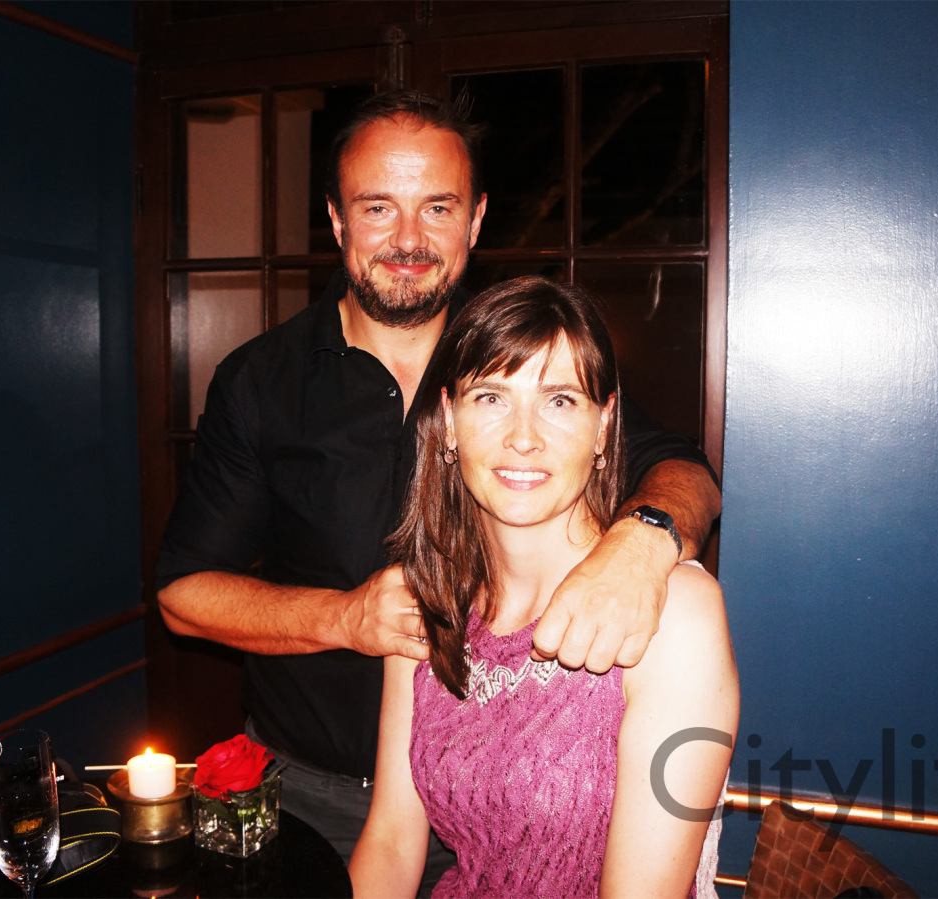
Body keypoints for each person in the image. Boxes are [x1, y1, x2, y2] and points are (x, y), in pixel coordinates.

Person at [155, 90, 722, 866]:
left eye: (439, 208)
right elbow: (182, 594)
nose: (409, 239)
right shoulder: (260, 381)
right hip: (309, 793)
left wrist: (644, 542)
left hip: (500, 802)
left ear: (476, 220)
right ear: (337, 220)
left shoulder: (517, 363)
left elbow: (684, 472)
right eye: (378, 208)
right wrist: (344, 618)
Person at [349, 276, 738, 898]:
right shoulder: (428, 603)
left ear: (604, 425)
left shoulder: (673, 615)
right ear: (448, 420)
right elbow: (393, 842)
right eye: (491, 397)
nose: (524, 437)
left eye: (559, 400)